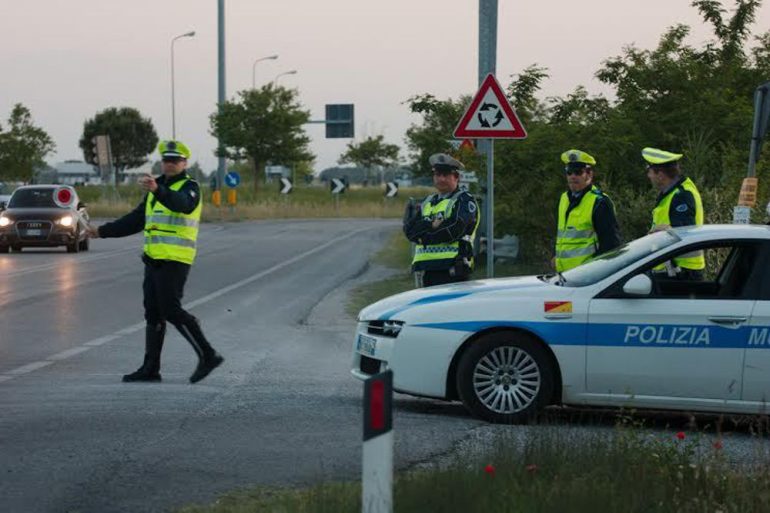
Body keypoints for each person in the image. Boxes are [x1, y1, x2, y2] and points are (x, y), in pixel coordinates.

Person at [88, 140, 224, 383]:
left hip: (175, 258)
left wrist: (157, 190)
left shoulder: (190, 187)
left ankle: (208, 355)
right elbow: (135, 220)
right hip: (153, 259)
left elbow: (181, 205)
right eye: (167, 160)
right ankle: (151, 368)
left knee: (171, 309)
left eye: (175, 160)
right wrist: (101, 231)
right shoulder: (156, 188)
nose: (170, 164)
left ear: (184, 163)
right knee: (153, 313)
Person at [403, 153, 480, 287]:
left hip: (454, 268)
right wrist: (432, 225)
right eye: (438, 175)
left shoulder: (464, 200)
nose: (441, 179)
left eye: (446, 175)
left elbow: (454, 230)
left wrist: (423, 236)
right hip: (426, 269)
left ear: (456, 177)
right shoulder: (428, 202)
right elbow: (410, 230)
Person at [643, 147, 705, 280]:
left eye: (650, 171)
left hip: (682, 273)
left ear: (660, 175)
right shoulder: (671, 193)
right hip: (672, 271)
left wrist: (666, 231)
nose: (648, 176)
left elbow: (686, 235)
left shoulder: (682, 195)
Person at [554, 149, 621, 272]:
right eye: (569, 172)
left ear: (589, 174)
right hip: (564, 275)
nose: (573, 176)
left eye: (578, 172)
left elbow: (611, 245)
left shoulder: (599, 202)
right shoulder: (564, 198)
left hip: (588, 276)